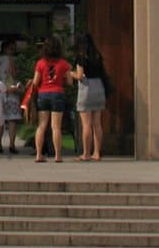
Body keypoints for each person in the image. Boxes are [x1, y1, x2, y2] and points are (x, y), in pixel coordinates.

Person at [27, 38, 74, 164]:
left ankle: (38, 155)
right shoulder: (64, 63)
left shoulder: (40, 63)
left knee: (42, 125)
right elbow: (70, 82)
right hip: (58, 94)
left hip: (43, 94)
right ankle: (58, 156)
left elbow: (36, 82)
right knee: (56, 127)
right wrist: (60, 80)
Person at [73, 33, 110, 161]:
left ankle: (86, 153)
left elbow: (79, 75)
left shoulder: (81, 57)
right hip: (99, 88)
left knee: (86, 124)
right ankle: (97, 153)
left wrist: (71, 73)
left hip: (87, 89)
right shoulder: (97, 56)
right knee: (97, 123)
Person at [0, 39, 22, 155]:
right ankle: (11, 144)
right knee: (12, 120)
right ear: (5, 49)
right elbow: (15, 74)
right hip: (11, 92)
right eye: (11, 48)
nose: (13, 50)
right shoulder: (13, 60)